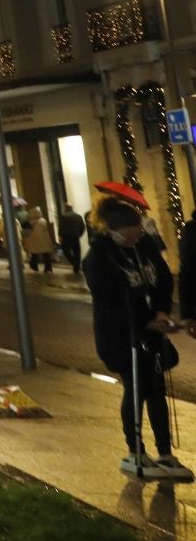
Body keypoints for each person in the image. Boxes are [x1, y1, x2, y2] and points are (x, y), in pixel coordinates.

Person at [84, 197, 191, 481]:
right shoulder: (98, 258)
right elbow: (109, 300)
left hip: (151, 331)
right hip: (120, 334)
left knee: (156, 388)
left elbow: (163, 279)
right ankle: (135, 450)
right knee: (136, 387)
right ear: (113, 231)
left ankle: (165, 452)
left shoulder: (144, 247)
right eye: (129, 236)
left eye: (138, 234)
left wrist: (162, 310)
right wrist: (145, 320)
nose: (134, 240)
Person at [23, 208, 56, 275]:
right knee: (46, 254)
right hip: (44, 240)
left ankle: (34, 266)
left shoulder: (28, 223)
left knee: (34, 254)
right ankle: (48, 268)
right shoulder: (43, 221)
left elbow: (26, 232)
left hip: (33, 241)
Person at [58, 204, 86, 275]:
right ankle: (77, 266)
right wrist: (79, 234)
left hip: (66, 236)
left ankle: (74, 263)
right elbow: (83, 227)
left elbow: (61, 227)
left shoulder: (63, 216)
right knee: (77, 252)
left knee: (65, 250)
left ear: (66, 208)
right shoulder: (78, 216)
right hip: (75, 236)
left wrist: (60, 236)